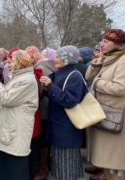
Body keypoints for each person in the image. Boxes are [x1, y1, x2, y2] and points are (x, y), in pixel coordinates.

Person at [0, 49, 38, 180]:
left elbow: (6, 99)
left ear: (20, 63)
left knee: (15, 169)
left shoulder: (27, 80)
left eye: (11, 62)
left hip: (16, 131)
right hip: (11, 131)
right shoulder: (19, 77)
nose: (9, 65)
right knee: (7, 167)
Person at [86, 29, 125, 180]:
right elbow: (88, 76)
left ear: (117, 44)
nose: (102, 44)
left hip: (115, 119)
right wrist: (99, 60)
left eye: (106, 41)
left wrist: (98, 84)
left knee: (114, 168)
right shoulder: (109, 58)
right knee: (106, 165)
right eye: (102, 41)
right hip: (104, 117)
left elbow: (122, 88)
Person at [39, 45, 86, 180]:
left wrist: (51, 86)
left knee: (67, 169)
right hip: (59, 127)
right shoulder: (61, 72)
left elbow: (69, 100)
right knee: (60, 167)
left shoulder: (74, 75)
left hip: (67, 130)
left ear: (66, 58)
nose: (55, 59)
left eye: (58, 57)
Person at [26, 46, 57, 180]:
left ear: (33, 55)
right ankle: (43, 166)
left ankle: (42, 169)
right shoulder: (48, 65)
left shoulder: (42, 67)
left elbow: (39, 90)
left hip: (44, 108)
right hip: (47, 106)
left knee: (43, 140)